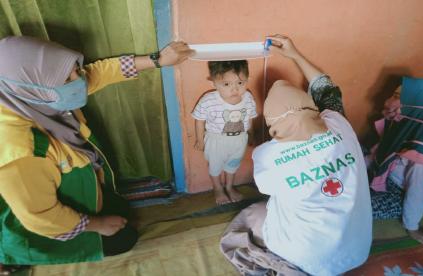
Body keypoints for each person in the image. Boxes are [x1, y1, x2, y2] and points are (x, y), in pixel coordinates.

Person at [0, 35, 193, 273]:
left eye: (75, 72)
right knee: (125, 239)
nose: (79, 82)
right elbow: (42, 217)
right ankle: (15, 256)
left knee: (122, 213)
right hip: (42, 222)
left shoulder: (29, 95)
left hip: (67, 189)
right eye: (68, 78)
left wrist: (158, 60)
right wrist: (97, 224)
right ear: (31, 87)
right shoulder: (19, 154)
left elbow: (97, 73)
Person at [220, 34, 372, 276]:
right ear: (313, 107)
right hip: (357, 250)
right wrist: (294, 54)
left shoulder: (267, 154)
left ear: (270, 122)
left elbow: (268, 190)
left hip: (304, 257)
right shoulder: (338, 122)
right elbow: (326, 87)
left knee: (253, 214)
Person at [367, 76, 423, 250]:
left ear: (416, 103)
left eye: (397, 96)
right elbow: (382, 151)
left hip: (404, 195)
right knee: (349, 156)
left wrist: (413, 228)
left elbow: (416, 192)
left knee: (355, 205)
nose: (388, 101)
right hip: (391, 177)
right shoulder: (412, 122)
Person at [192, 60, 257, 205]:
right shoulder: (208, 100)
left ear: (247, 80)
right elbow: (199, 120)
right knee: (215, 166)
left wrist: (251, 133)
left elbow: (250, 117)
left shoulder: (248, 98)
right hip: (216, 140)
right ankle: (217, 187)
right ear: (213, 83)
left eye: (240, 83)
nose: (235, 89)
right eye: (226, 84)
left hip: (239, 140)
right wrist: (200, 140)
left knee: (233, 164)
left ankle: (229, 186)